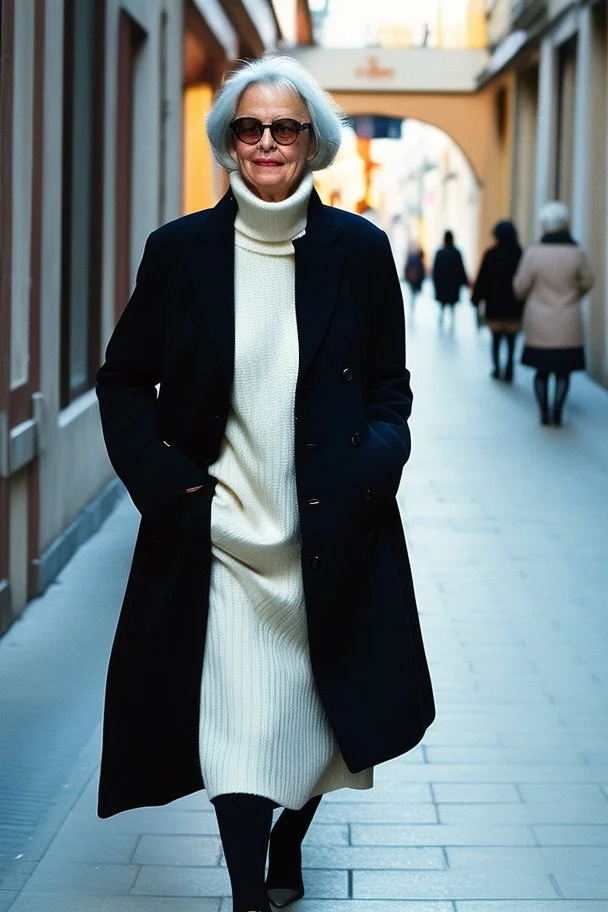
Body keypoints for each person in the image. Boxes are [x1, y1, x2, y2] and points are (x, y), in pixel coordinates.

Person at [95, 54, 435, 912]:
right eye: (250, 128)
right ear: (229, 144)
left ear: (312, 142)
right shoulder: (180, 254)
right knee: (240, 729)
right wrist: (168, 485)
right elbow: (124, 379)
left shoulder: (359, 252)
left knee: (316, 724)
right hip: (219, 538)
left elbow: (391, 386)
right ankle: (249, 894)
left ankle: (290, 840)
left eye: (286, 128)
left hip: (327, 536)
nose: (268, 143)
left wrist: (377, 458)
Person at [513, 201, 595, 425]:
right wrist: (573, 294)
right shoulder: (577, 253)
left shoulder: (533, 254)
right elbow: (588, 281)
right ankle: (558, 412)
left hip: (539, 321)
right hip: (568, 320)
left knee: (542, 370)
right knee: (563, 372)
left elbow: (520, 287)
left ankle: (544, 412)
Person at [471, 220, 523, 382]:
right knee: (511, 340)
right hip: (515, 305)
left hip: (495, 305)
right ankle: (509, 367)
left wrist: (476, 299)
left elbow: (482, 279)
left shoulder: (491, 254)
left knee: (496, 338)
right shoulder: (520, 254)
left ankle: (496, 368)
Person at [432, 229, 468, 317]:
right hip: (453, 286)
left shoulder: (440, 253)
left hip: (443, 285)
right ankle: (450, 323)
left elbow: (435, 271)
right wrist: (464, 282)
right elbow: (461, 269)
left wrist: (436, 285)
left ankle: (441, 322)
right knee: (452, 307)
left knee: (442, 306)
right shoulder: (456, 253)